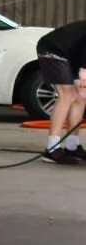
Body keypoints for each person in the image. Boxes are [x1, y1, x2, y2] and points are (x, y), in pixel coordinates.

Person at [35, 17, 86, 165]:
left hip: (72, 54)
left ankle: (72, 147)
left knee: (82, 96)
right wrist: (83, 69)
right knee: (67, 95)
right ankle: (52, 149)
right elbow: (84, 46)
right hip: (53, 48)